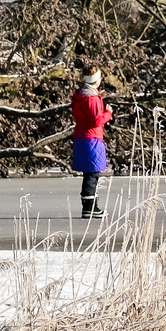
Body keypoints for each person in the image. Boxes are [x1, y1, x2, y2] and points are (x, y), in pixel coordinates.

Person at [71, 66, 112, 219]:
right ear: (98, 80)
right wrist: (108, 113)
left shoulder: (81, 95)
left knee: (90, 172)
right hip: (91, 138)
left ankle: (90, 207)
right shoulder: (92, 99)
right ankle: (90, 208)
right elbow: (96, 120)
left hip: (82, 137)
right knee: (92, 173)